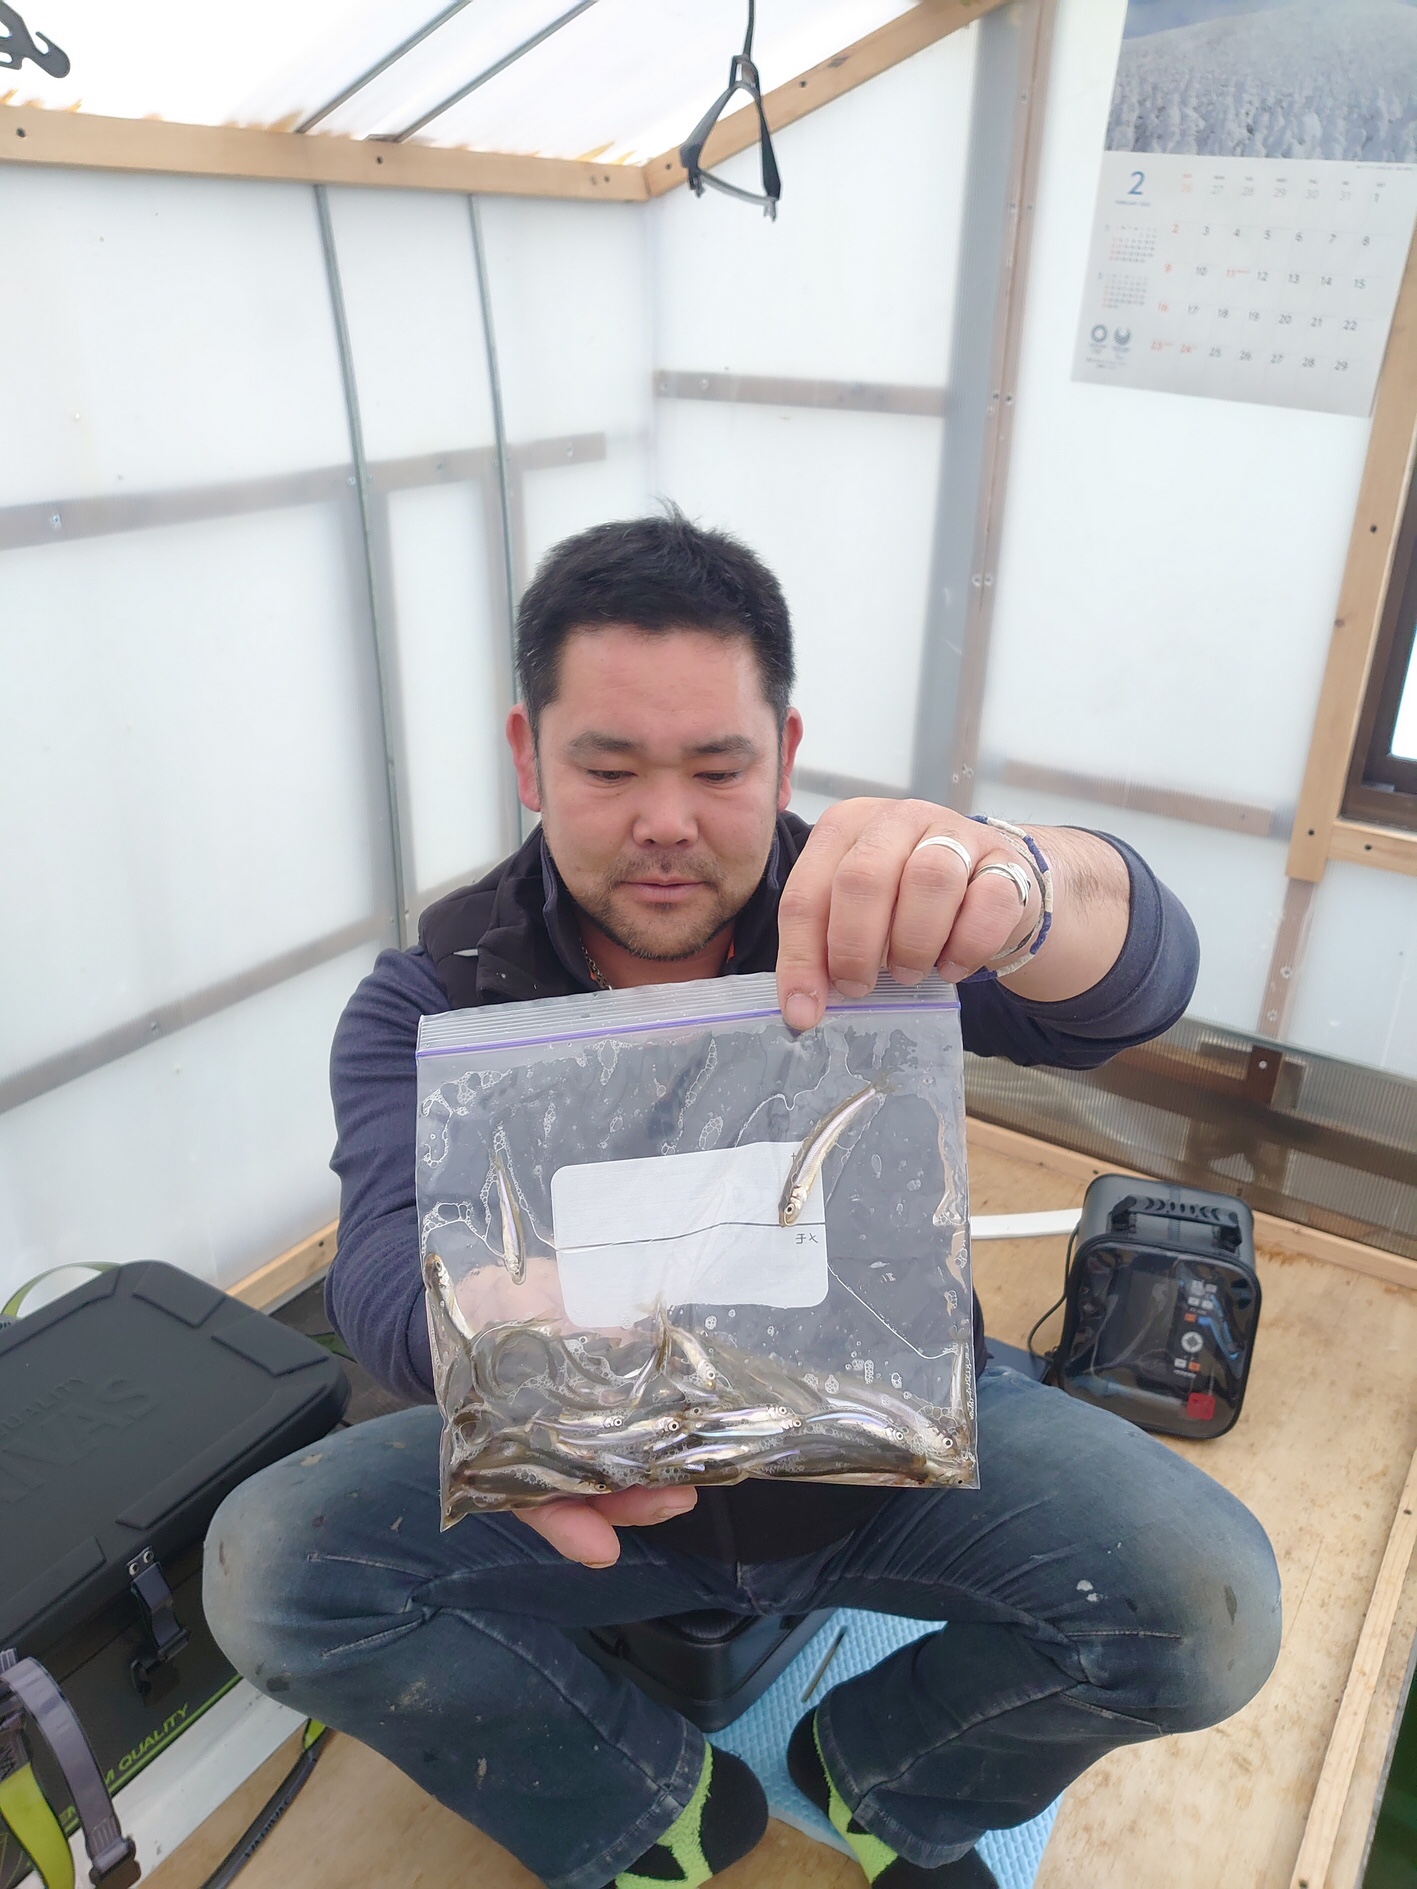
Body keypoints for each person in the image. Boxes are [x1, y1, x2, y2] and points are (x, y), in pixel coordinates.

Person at [205, 513, 1280, 1889]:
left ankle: (881, 1769)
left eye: (719, 768)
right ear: (528, 757)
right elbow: (372, 1260)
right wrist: (471, 1325)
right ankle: (645, 1804)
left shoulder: (875, 923)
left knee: (1206, 1605)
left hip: (892, 1449)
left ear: (784, 751)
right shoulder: (431, 997)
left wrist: (1021, 882)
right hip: (592, 1471)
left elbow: (1135, 986)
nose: (665, 819)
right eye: (607, 767)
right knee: (268, 1572)